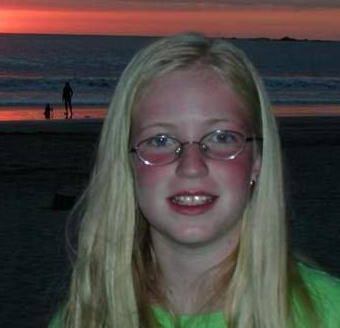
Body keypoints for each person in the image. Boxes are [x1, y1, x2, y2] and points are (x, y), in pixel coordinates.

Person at [49, 33, 340, 328]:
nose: (191, 167)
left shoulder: (329, 312)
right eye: (160, 140)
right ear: (126, 163)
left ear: (257, 161)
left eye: (221, 137)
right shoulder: (83, 319)